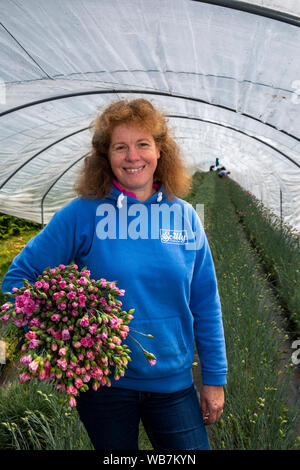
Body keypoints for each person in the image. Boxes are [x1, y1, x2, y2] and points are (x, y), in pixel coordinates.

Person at [1, 98, 227, 451]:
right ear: (105, 156)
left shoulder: (184, 217)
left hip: (172, 382)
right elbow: (20, 278)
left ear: (159, 151)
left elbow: (206, 303)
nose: (132, 157)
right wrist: (59, 334)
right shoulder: (83, 214)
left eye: (142, 145)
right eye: (120, 147)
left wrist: (214, 378)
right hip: (103, 386)